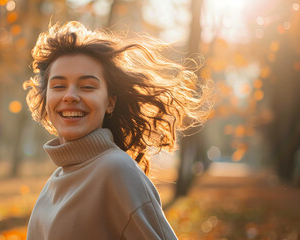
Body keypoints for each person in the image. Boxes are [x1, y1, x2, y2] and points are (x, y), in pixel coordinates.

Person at [23, 21, 212, 240]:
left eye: (87, 86)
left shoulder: (117, 170)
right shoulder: (55, 181)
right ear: (46, 99)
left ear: (110, 102)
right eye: (58, 86)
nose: (70, 96)